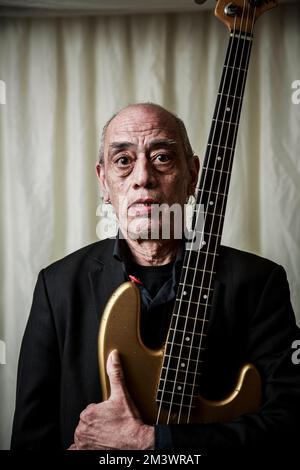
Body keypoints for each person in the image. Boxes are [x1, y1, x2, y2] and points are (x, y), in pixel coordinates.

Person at [11, 103, 300, 453]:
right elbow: (30, 438)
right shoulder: (56, 286)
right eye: (123, 161)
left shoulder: (260, 283)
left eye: (162, 157)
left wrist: (154, 441)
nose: (143, 177)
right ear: (103, 181)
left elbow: (290, 423)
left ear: (193, 175)